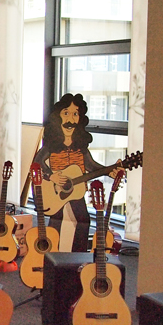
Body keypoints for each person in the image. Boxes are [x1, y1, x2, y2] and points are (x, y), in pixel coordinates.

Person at [34, 93, 120, 252]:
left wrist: (109, 171)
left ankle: (78, 255)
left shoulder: (80, 147)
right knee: (56, 220)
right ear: (58, 117)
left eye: (75, 114)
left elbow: (91, 166)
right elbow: (37, 162)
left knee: (83, 220)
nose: (70, 119)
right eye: (66, 113)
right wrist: (50, 176)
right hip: (54, 190)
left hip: (75, 190)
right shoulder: (51, 146)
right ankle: (50, 254)